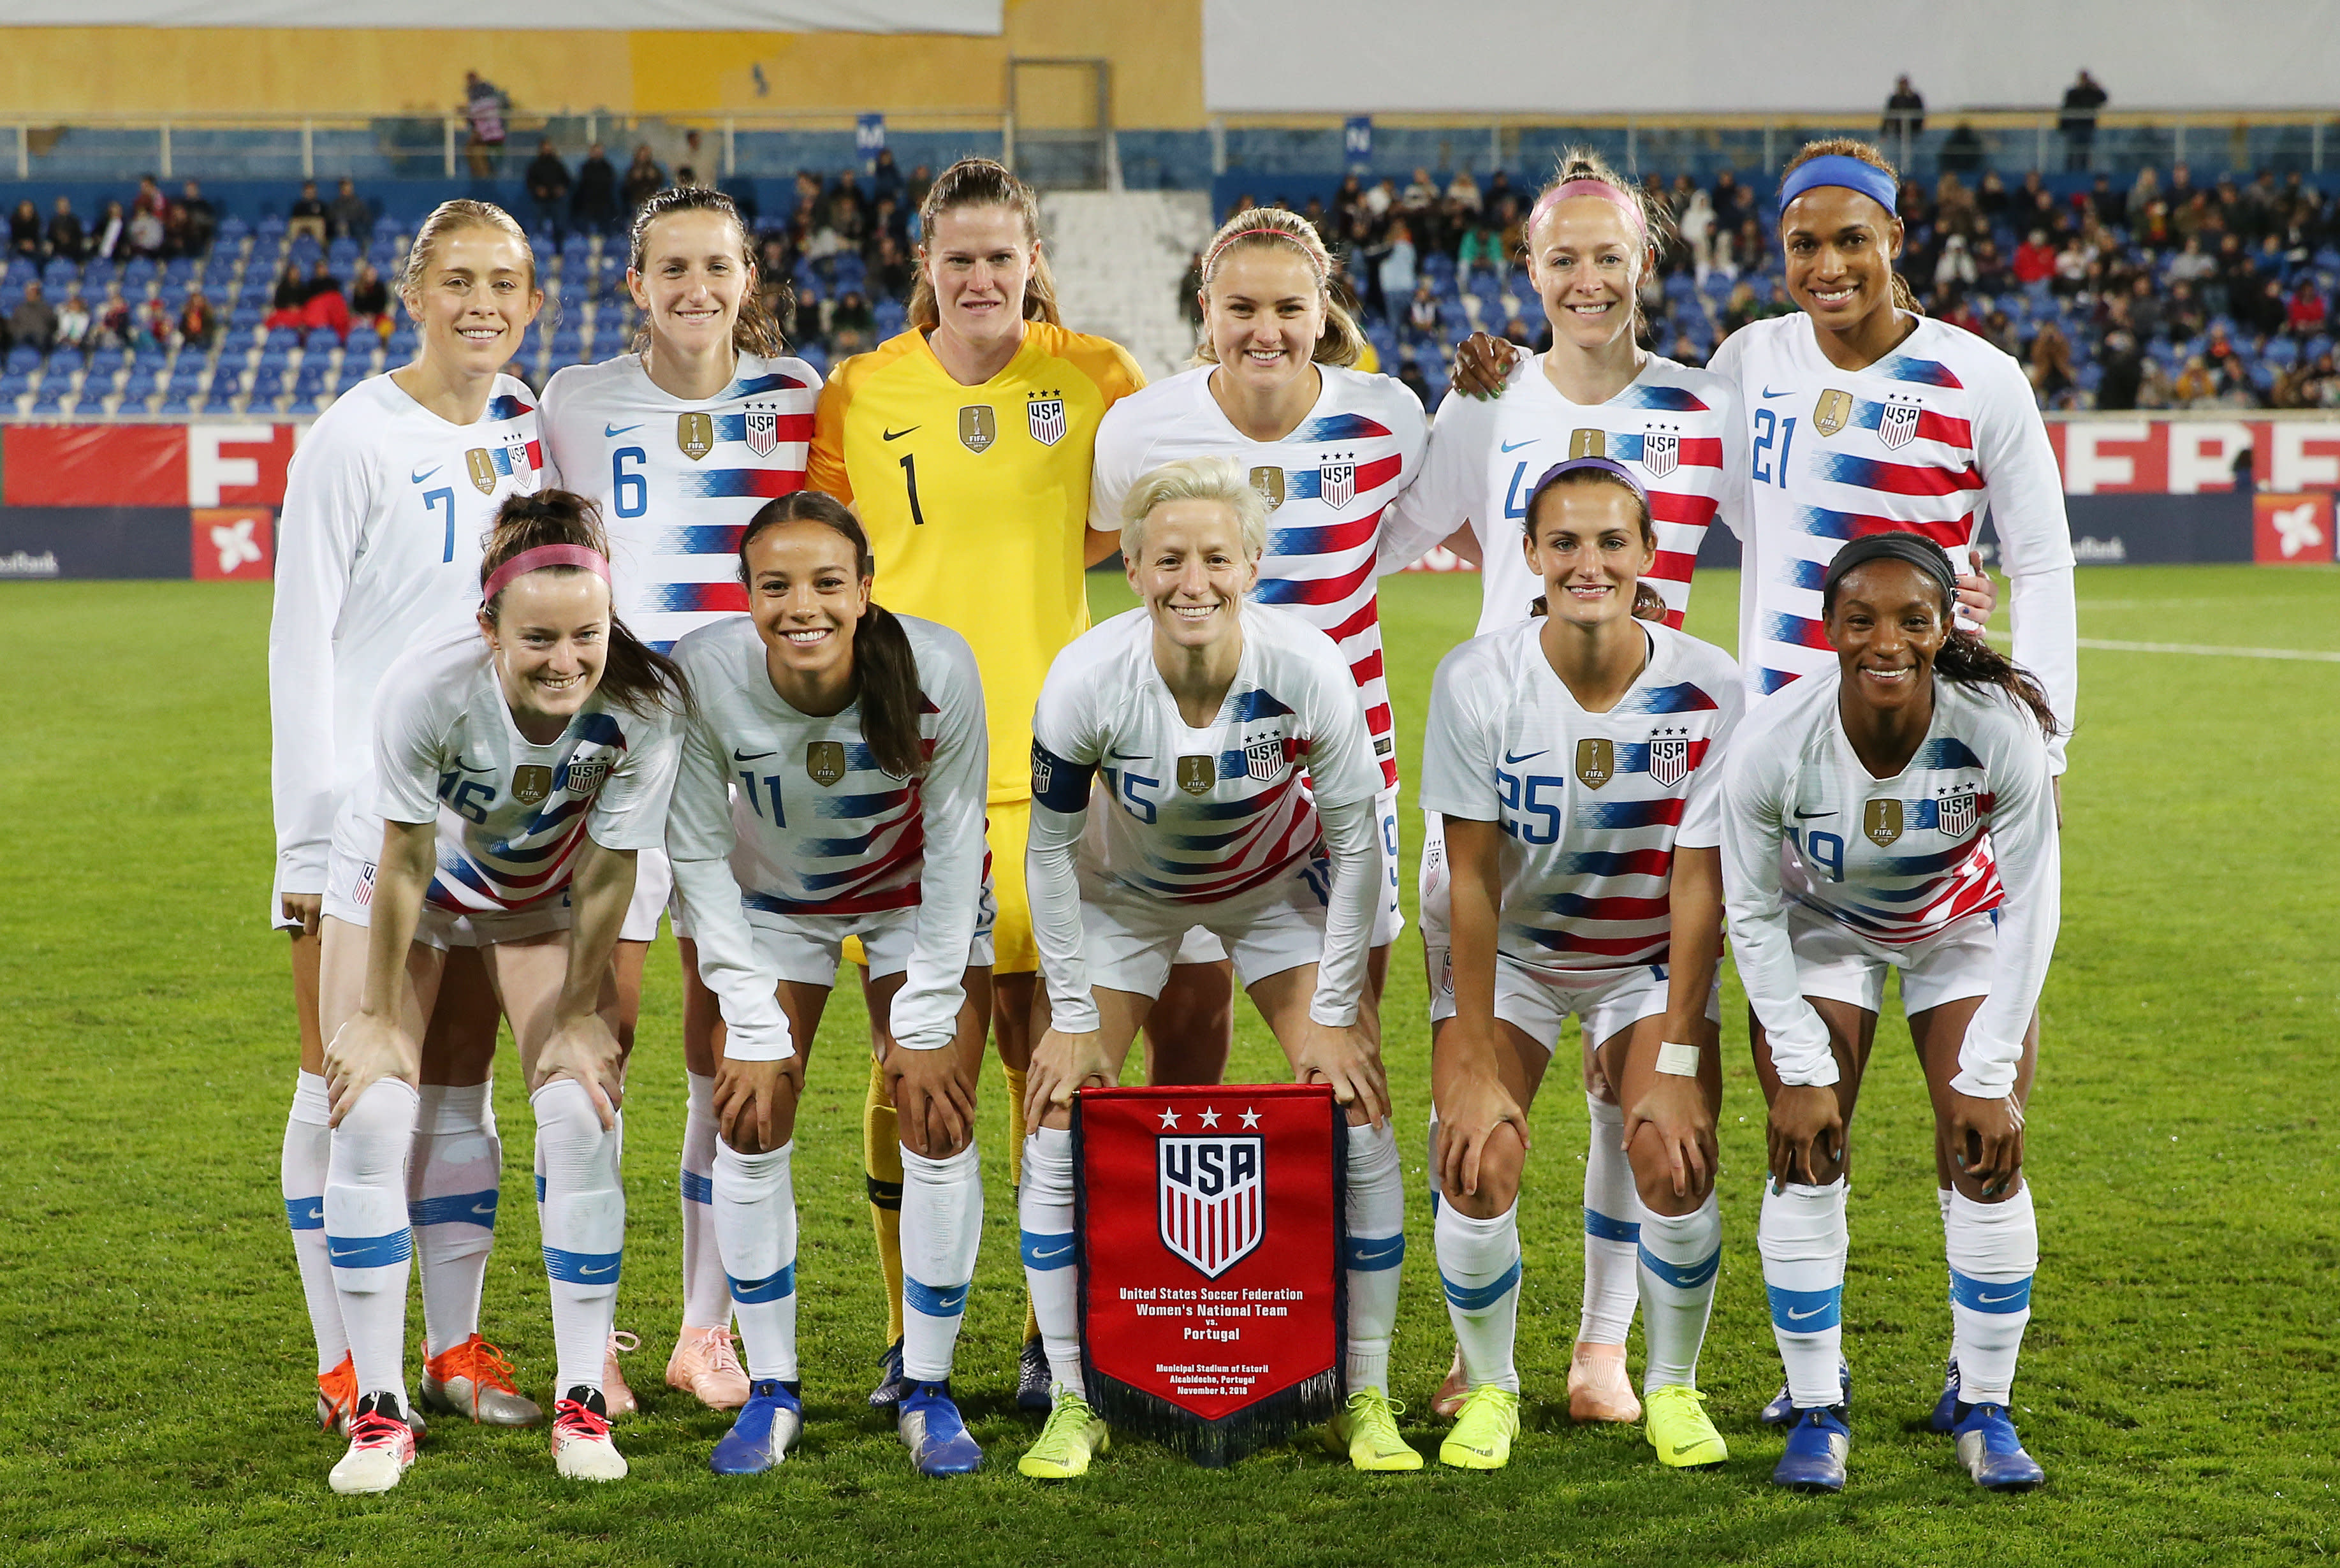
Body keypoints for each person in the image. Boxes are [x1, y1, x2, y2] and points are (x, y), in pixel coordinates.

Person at [1379, 150, 1746, 1428]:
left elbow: (1806, 532)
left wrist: (1941, 584)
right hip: (1503, 784)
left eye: (1608, 254)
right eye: (1561, 257)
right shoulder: (1487, 401)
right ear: (1525, 272)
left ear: (1644, 261)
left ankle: (1602, 1349)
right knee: (1476, 1111)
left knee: (1632, 1090)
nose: (1586, 279)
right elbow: (1381, 535)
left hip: (1655, 786)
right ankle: (1489, 1359)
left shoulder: (1705, 407)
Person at [1085, 207, 1427, 1470]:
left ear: (1323, 306)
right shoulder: (1142, 429)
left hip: (1341, 783)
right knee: (1184, 1053)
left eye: (1289, 306)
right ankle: (1190, 1324)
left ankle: (1332, 1336)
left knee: (1336, 1060)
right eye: (1241, 307)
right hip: (1174, 799)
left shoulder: (1387, 416)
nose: (1265, 328)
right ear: (1205, 310)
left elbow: (1432, 530)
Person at [808, 156, 1146, 1414]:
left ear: (1030, 257)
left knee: (1048, 1067)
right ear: (926, 264)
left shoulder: (1096, 376)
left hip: (1062, 779)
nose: (981, 277)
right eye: (959, 258)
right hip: (911, 780)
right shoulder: (859, 390)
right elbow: (830, 565)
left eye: (1001, 256)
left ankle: (1045, 1337)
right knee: (913, 1071)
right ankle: (911, 1331)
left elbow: (1125, 523)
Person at [1018, 455, 1400, 1479]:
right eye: (1169, 559)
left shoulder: (1309, 665)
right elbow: (1048, 851)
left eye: (1217, 558)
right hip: (1128, 899)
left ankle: (1360, 1392)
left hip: (1273, 889)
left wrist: (1328, 1012)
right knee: (1058, 1098)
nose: (1194, 580)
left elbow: (1359, 844)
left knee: (1355, 1094)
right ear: (1132, 569)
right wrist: (1066, 1013)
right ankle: (1072, 1397)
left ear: (1254, 566)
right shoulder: (1087, 677)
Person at [314, 491, 685, 1492]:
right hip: (405, 891)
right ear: (489, 629)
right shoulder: (427, 690)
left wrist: (576, 1010)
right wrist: (384, 1017)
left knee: (579, 1106)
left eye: (587, 634)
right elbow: (399, 863)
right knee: (371, 1107)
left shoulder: (647, 707)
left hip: (537, 898)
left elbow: (610, 868)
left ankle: (581, 1398)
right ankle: (380, 1411)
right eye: (538, 638)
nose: (566, 658)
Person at [539, 184, 823, 1415]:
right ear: (636, 283)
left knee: (727, 1045)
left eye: (718, 265)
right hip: (615, 750)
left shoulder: (801, 397)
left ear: (747, 276)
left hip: (750, 756)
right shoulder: (575, 403)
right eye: (673, 268)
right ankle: (589, 1332)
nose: (697, 288)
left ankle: (705, 1329)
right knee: (605, 1035)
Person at [269, 200, 549, 1448]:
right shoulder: (351, 436)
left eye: (502, 281)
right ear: (412, 293)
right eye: (457, 280)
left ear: (530, 300)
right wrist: (300, 838)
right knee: (342, 1084)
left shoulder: (531, 424)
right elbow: (300, 645)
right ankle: (344, 1361)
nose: (480, 302)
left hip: (494, 821)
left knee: (459, 1080)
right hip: (363, 829)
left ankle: (450, 1340)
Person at [1422, 457, 1743, 1473]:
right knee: (1476, 1160)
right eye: (1563, 542)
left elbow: (1700, 886)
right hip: (1511, 953)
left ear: (1648, 555)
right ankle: (1491, 1385)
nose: (1587, 562)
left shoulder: (1709, 685)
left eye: (1611, 542)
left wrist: (1683, 1057)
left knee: (1674, 1158)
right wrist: (1470, 1054)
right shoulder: (1478, 676)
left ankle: (1672, 1385)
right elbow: (1468, 881)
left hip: (1642, 958)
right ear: (1528, 554)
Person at [1722, 532, 2059, 1493]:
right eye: (1861, 618)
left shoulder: (1995, 727)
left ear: (1943, 624)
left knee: (1982, 1149)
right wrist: (1797, 1065)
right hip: (1824, 927)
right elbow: (1748, 911)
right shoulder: (1775, 740)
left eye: (1913, 619)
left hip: (1957, 927)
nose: (1887, 640)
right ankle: (1815, 1404)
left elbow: (2033, 901)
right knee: (1807, 1144)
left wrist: (1988, 1076)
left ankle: (1983, 1402)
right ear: (1827, 629)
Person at [666, 492, 994, 1477]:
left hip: (914, 902)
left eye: (824, 583)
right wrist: (751, 1015)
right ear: (747, 594)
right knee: (750, 1111)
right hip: (773, 906)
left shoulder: (937, 666)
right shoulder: (705, 672)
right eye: (775, 585)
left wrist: (926, 1014)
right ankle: (771, 1390)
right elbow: (694, 852)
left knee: (935, 1111)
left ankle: (928, 1387)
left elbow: (955, 846)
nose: (799, 605)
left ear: (863, 589)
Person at [464, 71, 509, 179]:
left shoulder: (483, 93)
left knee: (491, 157)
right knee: (474, 152)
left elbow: (480, 113)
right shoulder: (477, 94)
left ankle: (488, 175)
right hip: (487, 134)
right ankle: (484, 175)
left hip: (491, 134)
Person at [2059, 71, 2107, 172]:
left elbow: (2104, 98)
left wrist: (2096, 87)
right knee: (2072, 151)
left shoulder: (2092, 93)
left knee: (2085, 151)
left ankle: (2083, 171)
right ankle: (2069, 171)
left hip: (2087, 127)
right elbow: (2066, 108)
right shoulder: (2073, 93)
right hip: (2074, 127)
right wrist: (2063, 125)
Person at [527, 142, 573, 240]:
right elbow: (530, 181)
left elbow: (566, 180)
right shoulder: (535, 165)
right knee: (539, 224)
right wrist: (537, 189)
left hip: (556, 200)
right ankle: (540, 245)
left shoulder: (557, 165)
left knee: (559, 224)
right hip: (540, 201)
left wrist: (561, 189)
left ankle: (559, 248)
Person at [573, 143, 619, 236]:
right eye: (595, 151)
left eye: (599, 151)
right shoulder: (585, 167)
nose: (597, 154)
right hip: (588, 201)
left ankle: (606, 238)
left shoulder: (607, 167)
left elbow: (610, 182)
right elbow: (583, 185)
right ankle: (586, 237)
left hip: (604, 200)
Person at [622, 146, 667, 221]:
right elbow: (627, 184)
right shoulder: (633, 168)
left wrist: (654, 177)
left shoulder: (653, 168)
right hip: (637, 199)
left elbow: (660, 181)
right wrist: (634, 179)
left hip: (651, 198)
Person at [10, 281, 56, 353]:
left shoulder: (47, 308)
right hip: (23, 335)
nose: (31, 295)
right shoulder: (20, 309)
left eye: (33, 293)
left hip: (41, 336)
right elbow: (14, 324)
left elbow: (53, 323)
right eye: (29, 293)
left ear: (38, 294)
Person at [1881, 75, 1926, 140]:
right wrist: (1884, 133)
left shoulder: (1915, 98)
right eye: (1902, 84)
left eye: (1905, 84)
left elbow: (1920, 114)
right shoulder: (1894, 99)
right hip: (1897, 133)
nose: (1903, 86)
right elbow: (1888, 116)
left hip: (1914, 132)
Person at [329, 177, 373, 243]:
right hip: (340, 228)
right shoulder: (336, 204)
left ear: (351, 188)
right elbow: (331, 218)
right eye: (343, 187)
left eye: (347, 186)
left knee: (359, 231)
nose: (345, 189)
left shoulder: (359, 203)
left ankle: (361, 251)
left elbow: (367, 219)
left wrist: (354, 222)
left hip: (356, 228)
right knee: (341, 227)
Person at [288, 180, 329, 247]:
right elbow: (295, 217)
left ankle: (320, 249)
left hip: (315, 222)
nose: (309, 192)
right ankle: (291, 248)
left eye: (311, 189)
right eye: (307, 189)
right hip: (302, 222)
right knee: (294, 224)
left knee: (319, 224)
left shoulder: (320, 204)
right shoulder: (299, 205)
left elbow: (325, 218)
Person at [47, 197, 85, 264]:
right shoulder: (53, 222)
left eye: (64, 206)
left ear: (68, 207)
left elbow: (79, 238)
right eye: (60, 207)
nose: (62, 209)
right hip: (57, 250)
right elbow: (50, 238)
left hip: (73, 251)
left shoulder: (75, 221)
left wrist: (68, 240)